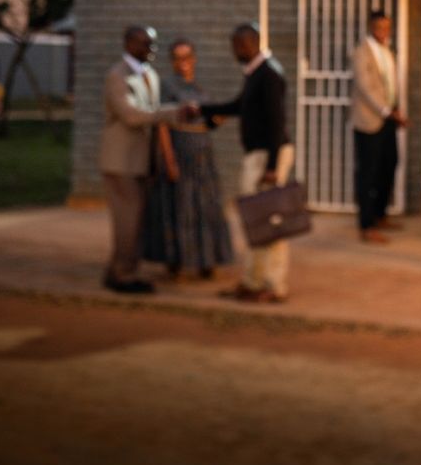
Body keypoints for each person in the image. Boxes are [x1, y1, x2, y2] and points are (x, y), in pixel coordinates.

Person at [201, 24, 293, 303]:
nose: (235, 51)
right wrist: (203, 109)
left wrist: (273, 167)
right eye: (234, 45)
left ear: (252, 43)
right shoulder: (255, 74)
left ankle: (273, 285)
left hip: (268, 156)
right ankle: (252, 281)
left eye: (239, 45)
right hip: (259, 155)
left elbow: (278, 122)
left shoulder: (269, 75)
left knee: (269, 220)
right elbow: (239, 106)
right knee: (254, 219)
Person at [99, 25, 191, 295]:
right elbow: (131, 115)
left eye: (153, 45)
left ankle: (119, 269)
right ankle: (123, 275)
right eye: (145, 44)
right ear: (128, 44)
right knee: (128, 219)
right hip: (121, 161)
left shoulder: (148, 74)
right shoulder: (117, 76)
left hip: (142, 160)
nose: (151, 50)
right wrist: (172, 113)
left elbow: (150, 114)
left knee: (137, 219)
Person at [143, 38, 234, 280]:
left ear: (193, 59)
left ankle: (207, 259)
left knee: (205, 208)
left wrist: (221, 115)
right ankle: (178, 261)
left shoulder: (199, 89)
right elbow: (161, 124)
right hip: (180, 152)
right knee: (181, 207)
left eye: (187, 57)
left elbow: (208, 122)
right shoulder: (167, 86)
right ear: (172, 61)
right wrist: (169, 159)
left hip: (202, 156)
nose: (183, 63)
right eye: (177, 58)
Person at [351, 10, 406, 244]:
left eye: (387, 27)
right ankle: (366, 224)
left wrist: (394, 111)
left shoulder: (387, 51)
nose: (384, 31)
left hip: (388, 118)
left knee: (390, 163)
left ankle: (381, 213)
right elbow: (366, 86)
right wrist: (386, 110)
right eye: (380, 27)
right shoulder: (361, 52)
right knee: (368, 172)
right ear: (371, 27)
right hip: (369, 119)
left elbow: (390, 84)